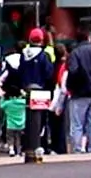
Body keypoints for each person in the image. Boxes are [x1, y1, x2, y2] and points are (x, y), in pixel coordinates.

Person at [9, 28, 58, 162]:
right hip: (41, 91)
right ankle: (38, 146)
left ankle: (28, 147)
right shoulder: (44, 55)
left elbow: (20, 73)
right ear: (41, 40)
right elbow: (49, 73)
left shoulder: (23, 54)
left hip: (27, 90)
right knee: (40, 120)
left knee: (28, 119)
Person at [65, 32, 91, 153]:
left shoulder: (75, 53)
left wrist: (71, 87)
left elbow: (73, 71)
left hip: (79, 92)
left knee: (77, 123)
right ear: (89, 38)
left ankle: (78, 149)